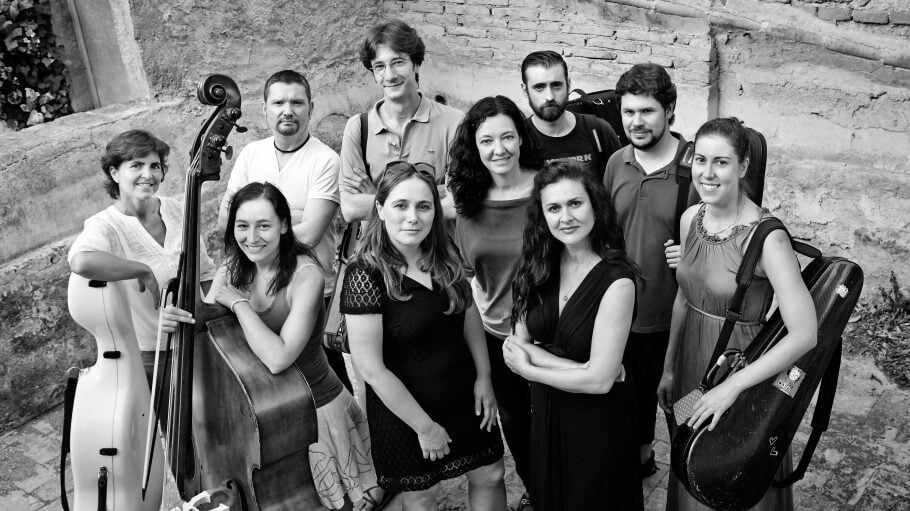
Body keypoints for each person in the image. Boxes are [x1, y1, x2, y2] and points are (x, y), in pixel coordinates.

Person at [657, 118, 817, 511]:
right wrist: (668, 369)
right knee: (692, 453)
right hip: (691, 365)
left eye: (721, 162)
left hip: (738, 368)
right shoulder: (689, 217)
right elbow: (683, 298)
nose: (706, 173)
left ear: (743, 166)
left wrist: (733, 388)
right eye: (699, 159)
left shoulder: (767, 238)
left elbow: (805, 334)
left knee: (733, 461)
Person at [207, 182, 386, 511]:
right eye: (242, 226)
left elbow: (279, 358)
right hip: (260, 413)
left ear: (284, 225)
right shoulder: (233, 265)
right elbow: (209, 332)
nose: (252, 237)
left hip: (315, 410)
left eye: (264, 225)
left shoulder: (306, 274)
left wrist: (239, 305)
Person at [340, 162, 506, 510]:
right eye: (401, 205)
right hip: (403, 409)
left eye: (423, 206)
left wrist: (484, 377)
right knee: (422, 497)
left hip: (461, 392)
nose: (413, 216)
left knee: (489, 475)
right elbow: (370, 369)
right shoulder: (365, 275)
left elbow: (469, 315)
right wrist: (425, 427)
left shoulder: (445, 258)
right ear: (381, 209)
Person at [504, 162, 643, 511]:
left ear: (595, 206)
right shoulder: (537, 265)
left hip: (597, 424)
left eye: (575, 204)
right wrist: (584, 368)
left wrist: (531, 367)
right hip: (548, 413)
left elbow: (598, 383)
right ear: (543, 216)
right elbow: (516, 345)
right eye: (554, 208)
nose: (565, 216)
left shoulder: (617, 280)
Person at [216, 69, 352, 393]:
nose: (287, 110)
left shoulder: (325, 160)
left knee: (320, 376)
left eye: (296, 102)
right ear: (264, 108)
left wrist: (259, 223)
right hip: (257, 283)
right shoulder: (251, 154)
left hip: (307, 284)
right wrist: (292, 216)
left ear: (310, 108)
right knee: (268, 379)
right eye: (278, 102)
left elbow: (310, 234)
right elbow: (225, 221)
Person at [68, 129, 215, 395]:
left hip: (199, 341)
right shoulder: (106, 225)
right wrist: (141, 270)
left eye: (155, 166)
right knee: (174, 432)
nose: (148, 175)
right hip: (154, 354)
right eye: (136, 165)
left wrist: (211, 316)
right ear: (115, 173)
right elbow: (80, 261)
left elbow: (205, 272)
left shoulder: (175, 208)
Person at [447, 95, 540, 510]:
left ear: (521, 138)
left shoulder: (549, 188)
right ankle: (540, 494)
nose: (498, 149)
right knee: (517, 427)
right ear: (475, 146)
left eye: (507, 137)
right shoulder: (466, 203)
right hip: (498, 337)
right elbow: (467, 280)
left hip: (554, 335)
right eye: (487, 141)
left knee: (563, 426)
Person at [602, 62, 694, 476]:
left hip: (678, 317)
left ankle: (691, 470)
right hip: (623, 313)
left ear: (670, 109)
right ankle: (642, 460)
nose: (636, 122)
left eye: (647, 111)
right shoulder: (617, 162)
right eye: (628, 112)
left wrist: (692, 255)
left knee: (684, 402)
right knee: (630, 396)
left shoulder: (696, 169)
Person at [339, 19, 463, 223]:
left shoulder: (454, 123)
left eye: (398, 62)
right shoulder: (358, 128)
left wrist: (379, 194)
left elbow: (454, 205)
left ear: (416, 63)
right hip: (374, 251)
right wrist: (435, 191)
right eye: (379, 66)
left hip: (435, 250)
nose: (389, 75)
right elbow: (351, 208)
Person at [521, 50, 621, 181]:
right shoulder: (519, 139)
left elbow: (619, 185)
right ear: (525, 90)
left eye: (556, 85)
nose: (549, 96)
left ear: (568, 85)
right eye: (539, 87)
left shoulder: (598, 130)